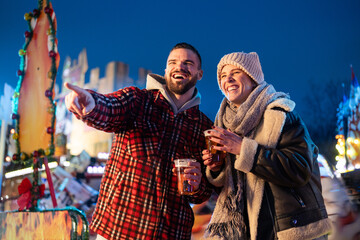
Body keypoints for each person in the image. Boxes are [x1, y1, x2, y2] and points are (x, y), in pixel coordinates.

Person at [64, 42, 214, 240]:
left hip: (170, 234)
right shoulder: (137, 100)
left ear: (199, 74)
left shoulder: (204, 127)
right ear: (167, 69)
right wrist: (91, 103)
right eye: (173, 62)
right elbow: (109, 108)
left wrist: (196, 186)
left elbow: (203, 192)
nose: (180, 67)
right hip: (119, 230)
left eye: (188, 63)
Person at [201, 52, 332, 240]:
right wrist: (216, 168)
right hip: (243, 230)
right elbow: (231, 187)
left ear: (253, 79)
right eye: (222, 75)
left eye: (235, 72)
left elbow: (300, 168)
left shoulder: (281, 115)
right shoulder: (223, 123)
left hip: (285, 228)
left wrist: (242, 149)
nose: (227, 79)